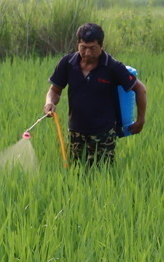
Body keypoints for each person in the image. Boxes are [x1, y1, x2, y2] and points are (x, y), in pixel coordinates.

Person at [44, 22, 147, 166]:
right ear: (78, 44)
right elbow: (55, 90)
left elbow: (140, 89)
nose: (87, 53)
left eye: (93, 48)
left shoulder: (112, 67)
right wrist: (49, 102)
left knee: (102, 175)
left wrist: (141, 119)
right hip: (76, 132)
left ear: (101, 46)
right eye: (83, 48)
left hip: (103, 133)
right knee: (77, 173)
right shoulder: (67, 63)